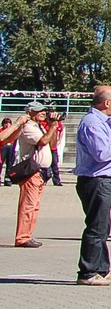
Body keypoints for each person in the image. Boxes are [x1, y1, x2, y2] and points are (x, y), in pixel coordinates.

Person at [74, 85, 111, 285]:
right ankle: (87, 272)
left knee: (103, 226)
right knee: (96, 226)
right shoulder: (92, 123)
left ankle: (101, 268)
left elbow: (108, 147)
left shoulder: (103, 122)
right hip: (96, 180)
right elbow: (101, 153)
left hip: (105, 179)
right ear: (107, 102)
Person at [11, 101, 58, 248]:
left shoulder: (38, 126)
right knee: (28, 205)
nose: (43, 113)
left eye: (44, 110)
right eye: (39, 111)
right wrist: (53, 126)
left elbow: (52, 144)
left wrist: (52, 127)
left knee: (34, 206)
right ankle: (22, 237)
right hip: (31, 172)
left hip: (40, 172)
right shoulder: (28, 127)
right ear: (30, 112)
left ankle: (28, 235)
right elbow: (43, 141)